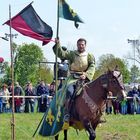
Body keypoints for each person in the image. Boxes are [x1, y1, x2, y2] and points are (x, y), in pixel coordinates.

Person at [53, 38, 95, 123]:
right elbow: (62, 54)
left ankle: (96, 114)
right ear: (77, 45)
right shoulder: (72, 54)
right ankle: (67, 113)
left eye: (82, 44)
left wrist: (86, 75)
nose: (81, 46)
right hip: (73, 78)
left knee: (94, 92)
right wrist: (58, 44)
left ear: (85, 45)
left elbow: (92, 66)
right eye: (79, 44)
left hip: (85, 78)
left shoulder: (89, 56)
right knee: (69, 91)